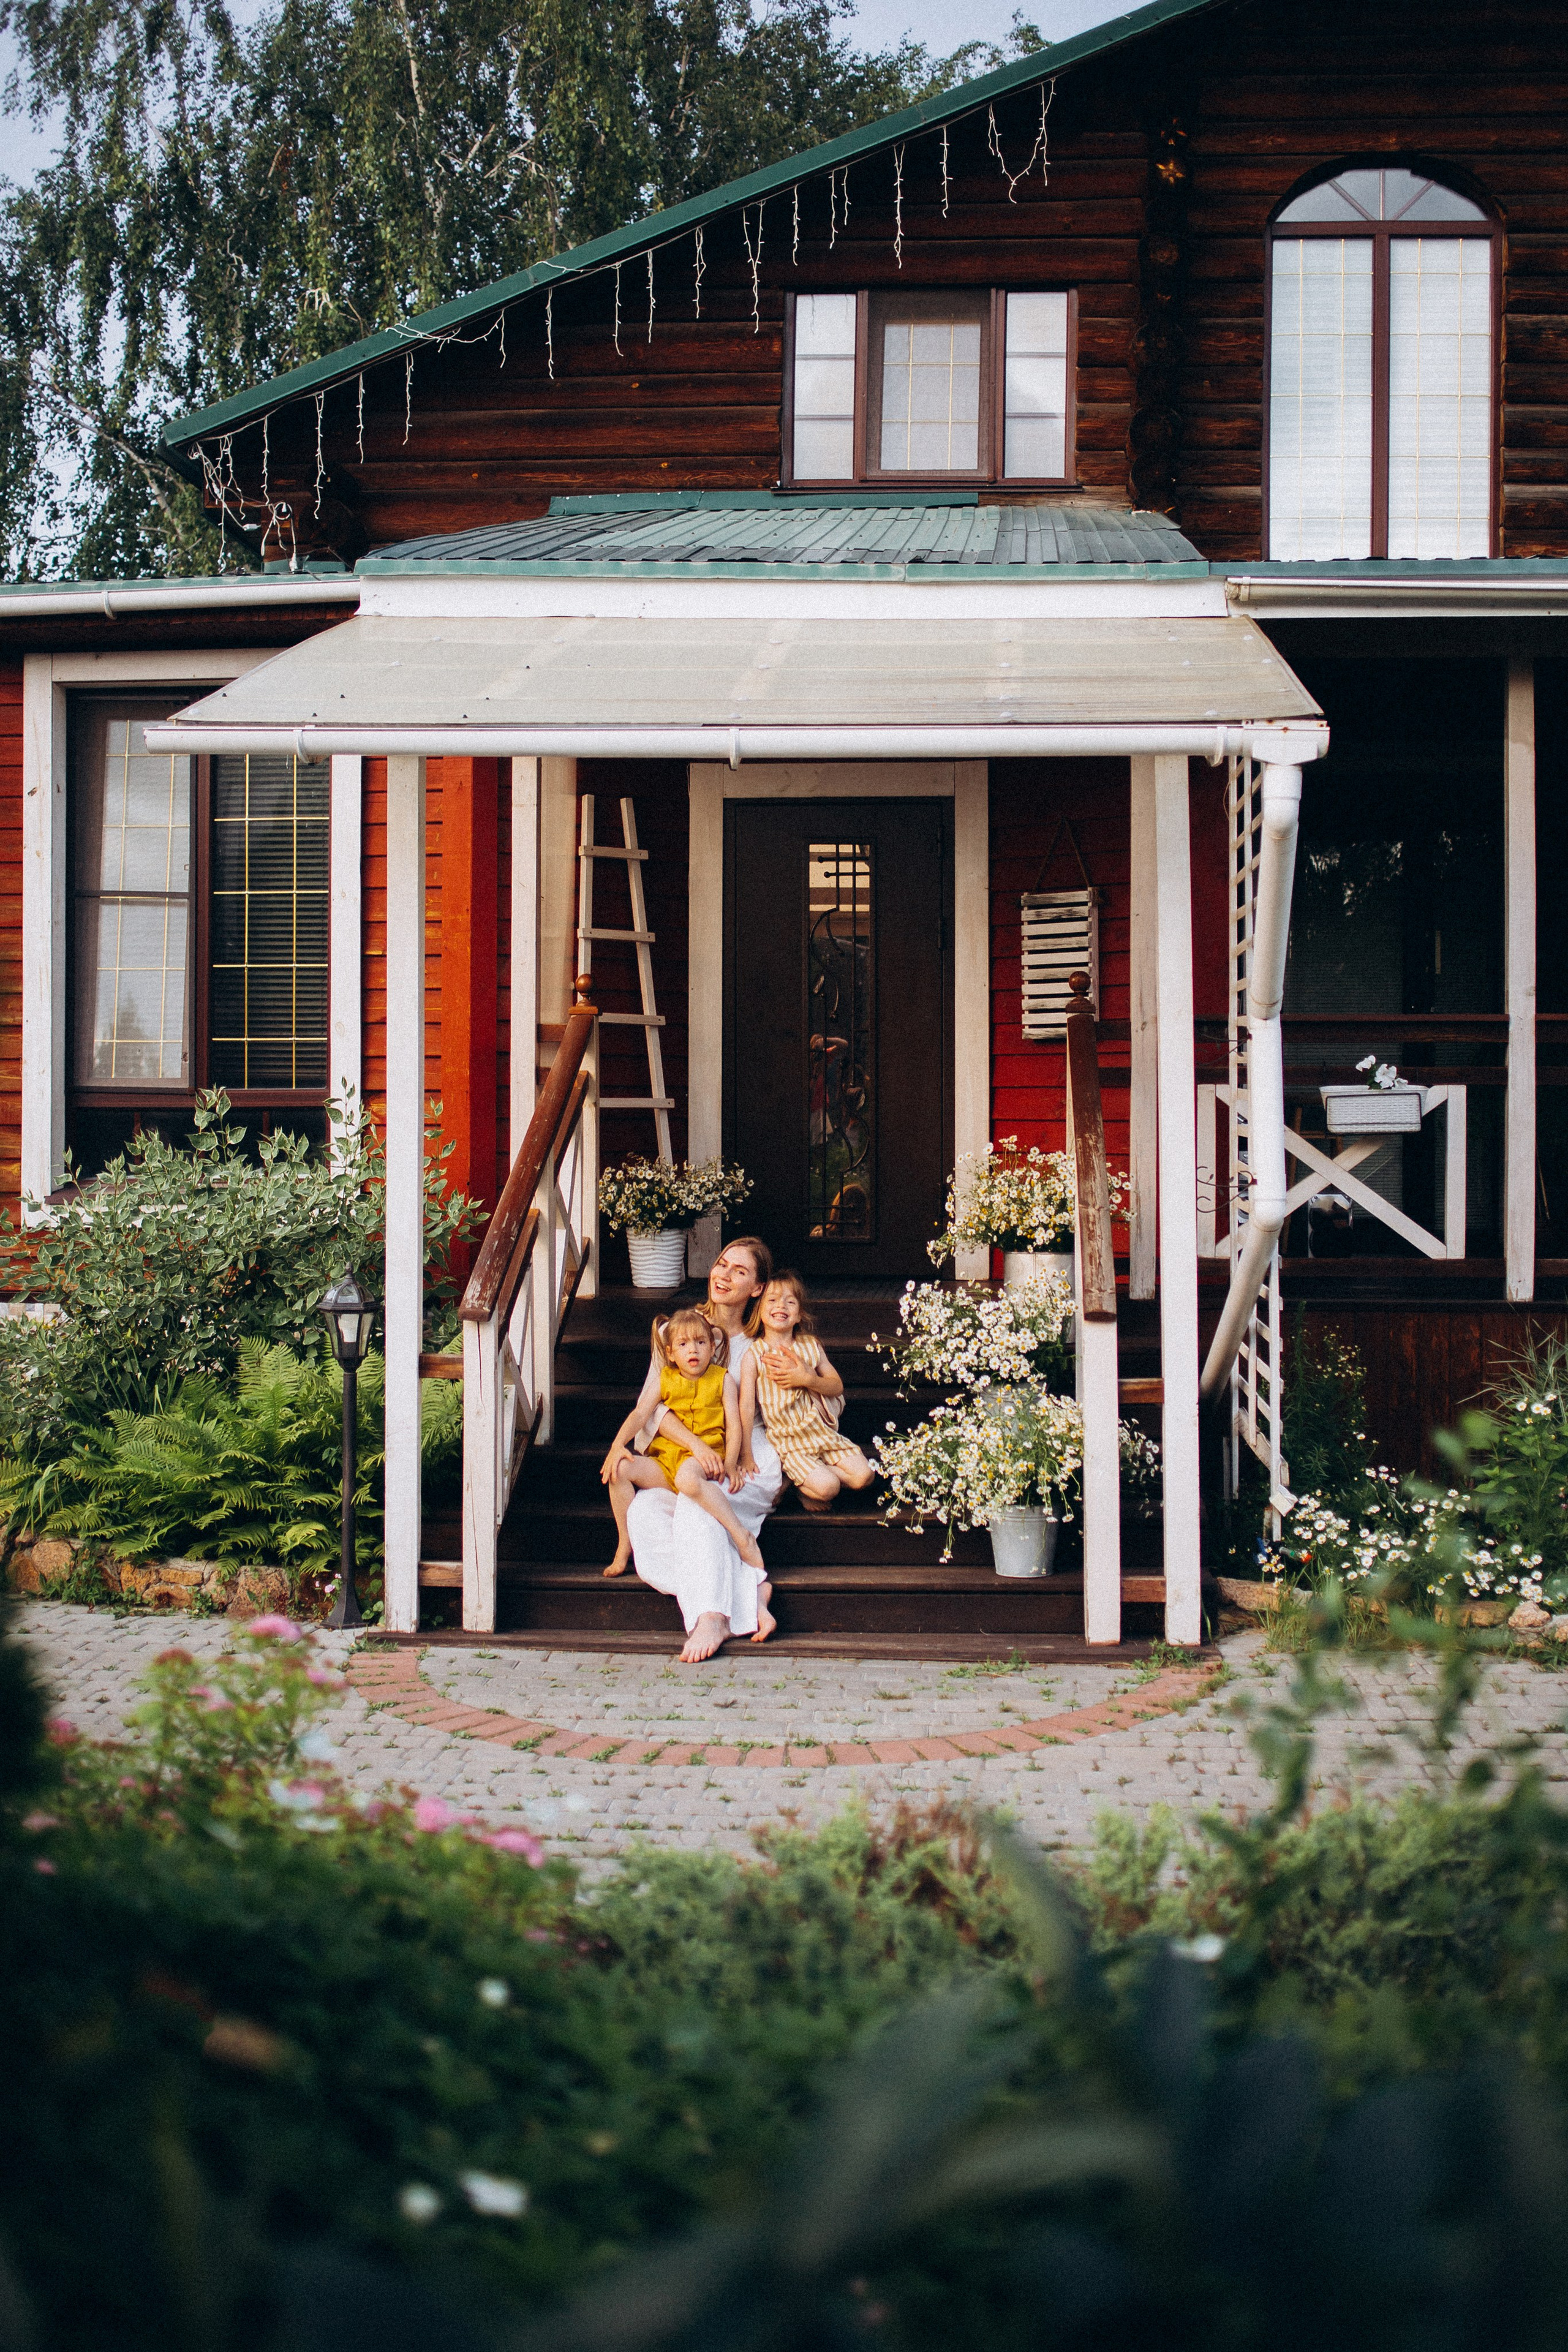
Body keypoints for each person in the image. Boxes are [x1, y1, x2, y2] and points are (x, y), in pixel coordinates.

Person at [600, 1235, 782, 1663]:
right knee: (644, 1514)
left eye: (741, 1271)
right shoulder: (677, 1332)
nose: (725, 1275)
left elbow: (794, 1404)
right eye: (722, 1264)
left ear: (757, 1288)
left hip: (744, 1458)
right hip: (682, 1452)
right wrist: (690, 1446)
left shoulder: (760, 1345)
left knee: (693, 1509)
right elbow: (654, 1404)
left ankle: (712, 1615)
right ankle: (752, 1591)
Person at [601, 1308, 763, 1574]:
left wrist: (732, 1464)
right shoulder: (665, 1378)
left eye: (701, 1343)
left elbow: (735, 1425)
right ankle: (625, 1545)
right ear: (671, 1353)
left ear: (713, 1347)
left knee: (687, 1480)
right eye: (683, 1344)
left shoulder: (722, 1380)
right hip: (667, 1461)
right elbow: (641, 1413)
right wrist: (617, 1445)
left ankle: (740, 1534)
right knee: (619, 1469)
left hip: (705, 1457)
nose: (693, 1351)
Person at [741, 1272, 873, 1512]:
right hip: (790, 1443)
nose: (781, 1305)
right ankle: (803, 1485)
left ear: (799, 1314)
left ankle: (798, 1480)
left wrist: (808, 1379)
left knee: (864, 1477)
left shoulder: (810, 1346)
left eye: (790, 1301)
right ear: (759, 1310)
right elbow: (747, 1407)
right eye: (772, 1300)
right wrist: (746, 1453)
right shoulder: (754, 1356)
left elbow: (836, 1386)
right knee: (829, 1488)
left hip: (822, 1434)